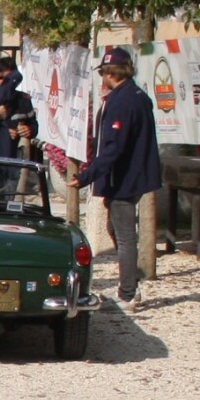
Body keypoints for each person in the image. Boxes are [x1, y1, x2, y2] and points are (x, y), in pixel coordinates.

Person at [75, 47, 160, 309]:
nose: (102, 78)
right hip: (133, 174)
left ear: (110, 73)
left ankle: (127, 293)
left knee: (124, 237)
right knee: (117, 230)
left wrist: (87, 176)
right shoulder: (139, 96)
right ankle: (130, 284)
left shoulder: (122, 102)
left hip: (123, 178)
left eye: (103, 73)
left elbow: (113, 147)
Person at [0, 54, 37, 158]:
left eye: (8, 79)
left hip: (14, 155)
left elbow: (33, 124)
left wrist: (29, 130)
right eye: (0, 78)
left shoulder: (23, 99)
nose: (4, 83)